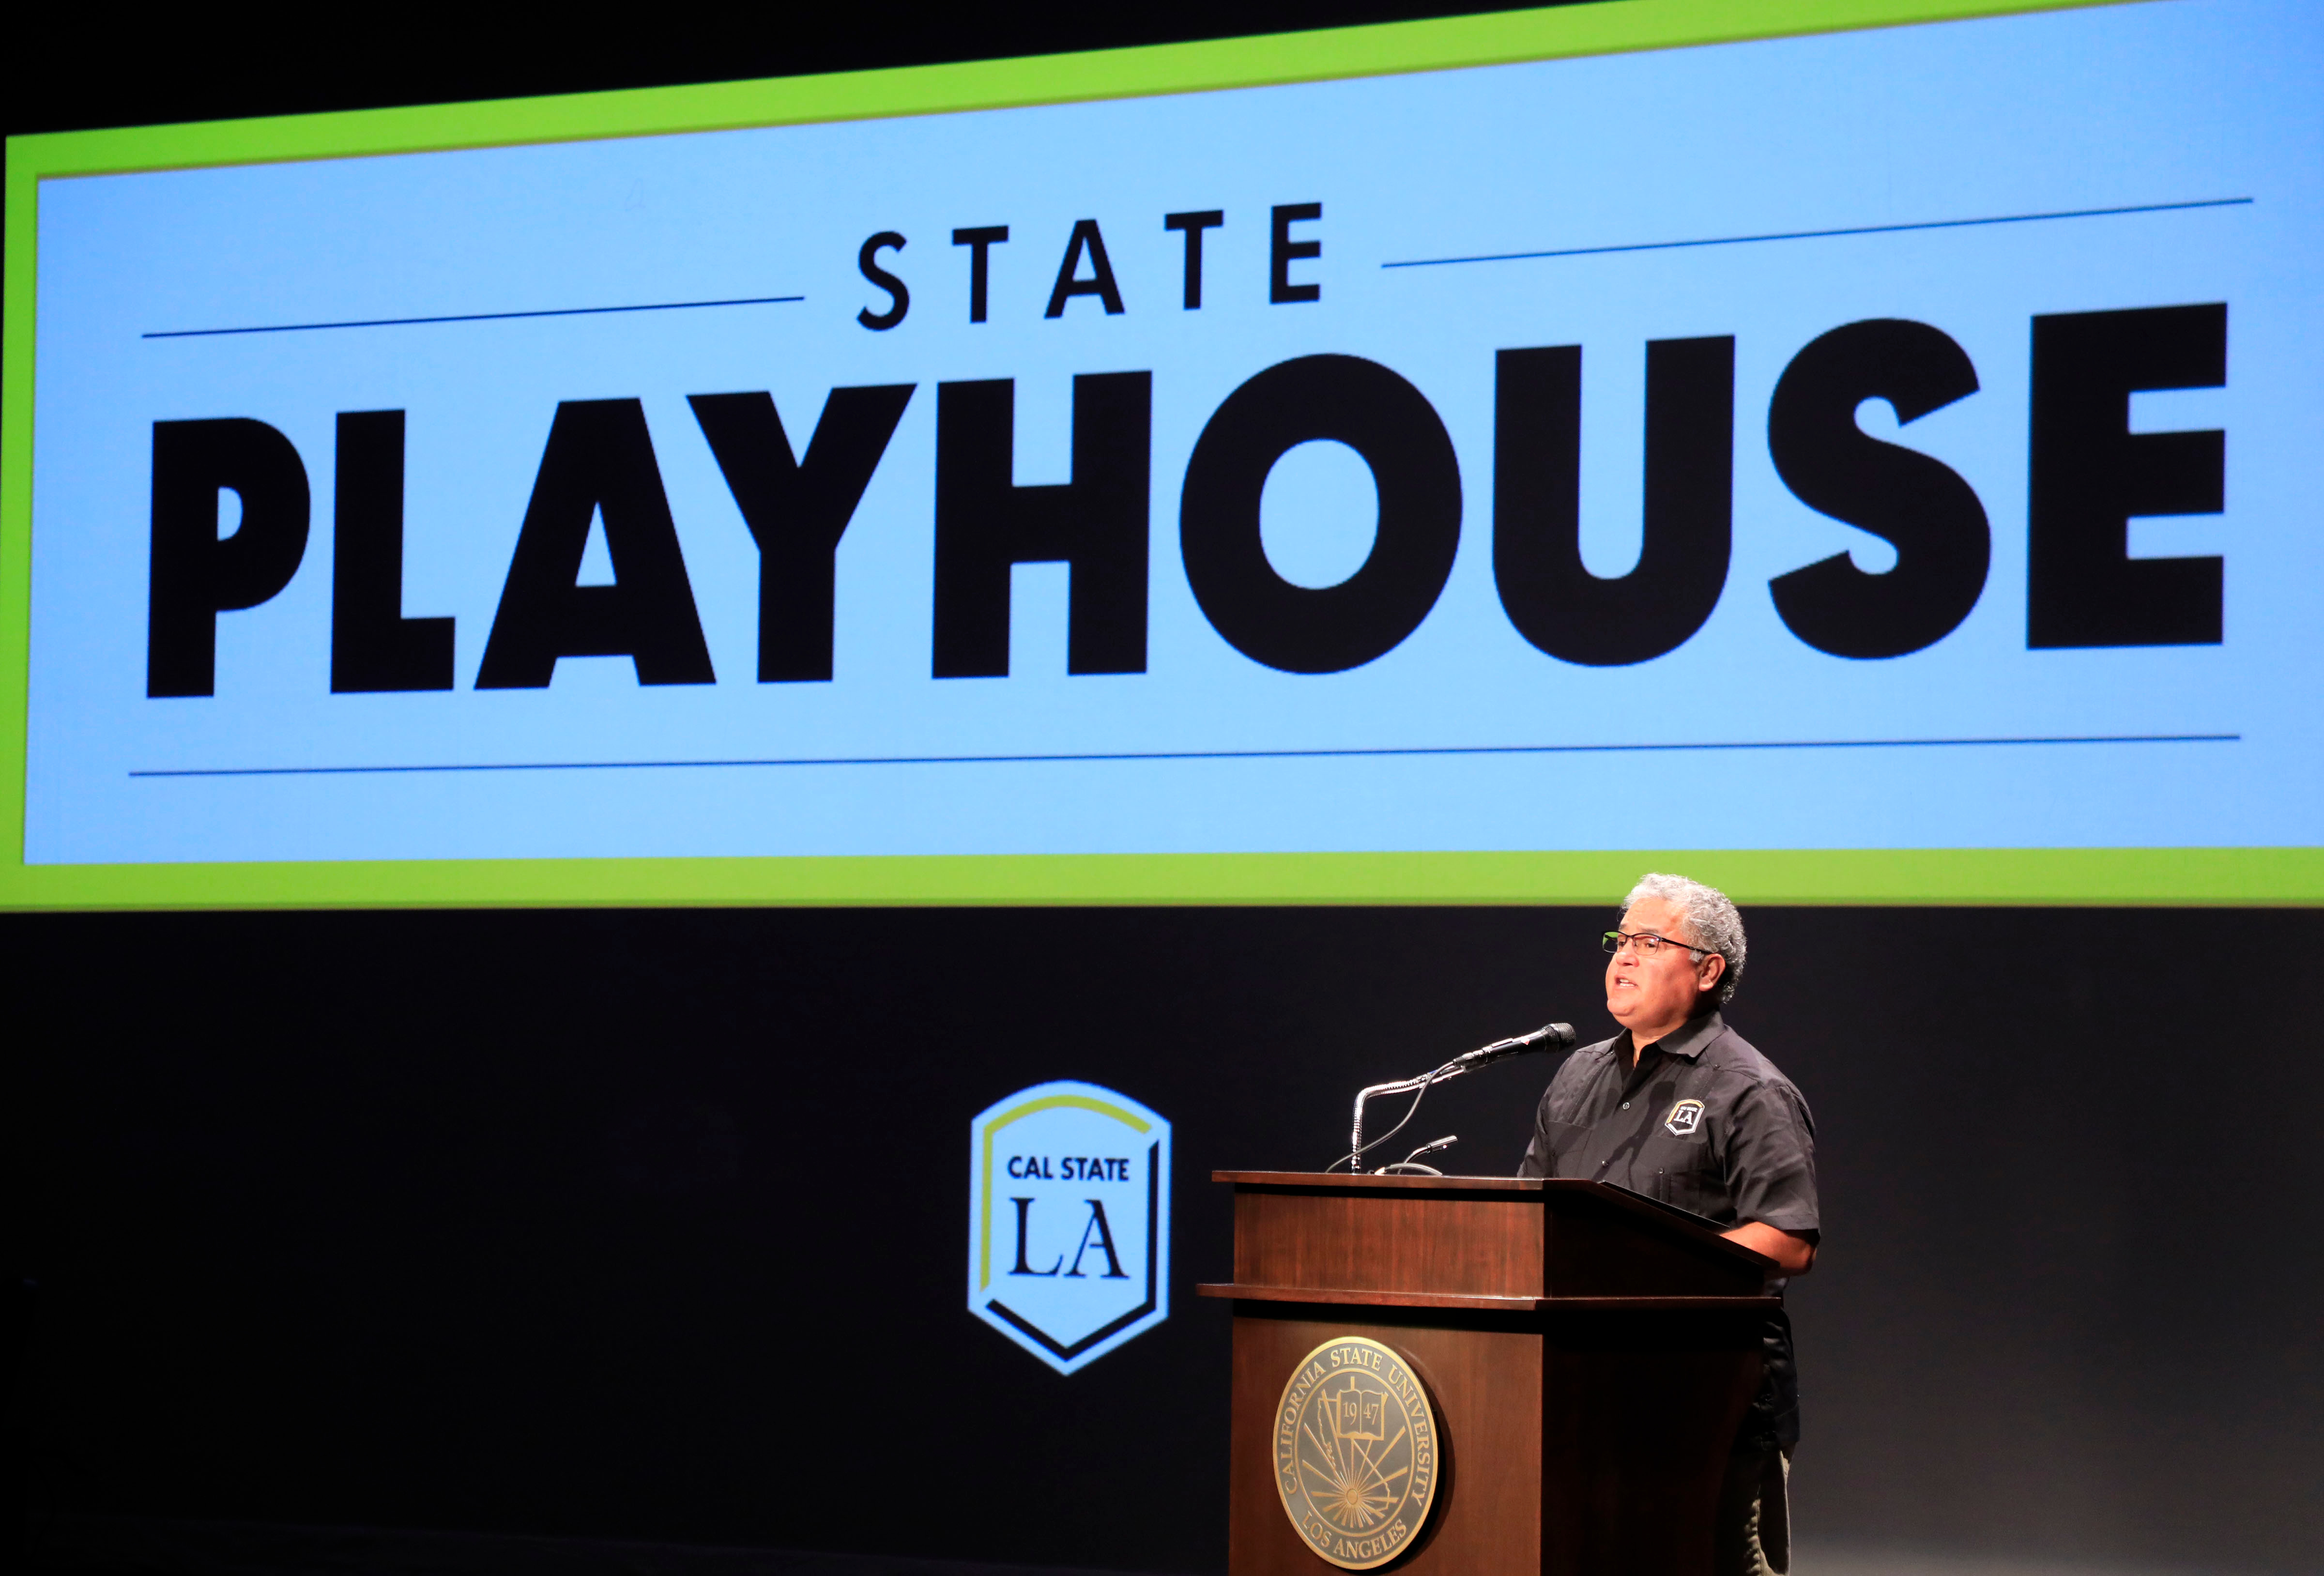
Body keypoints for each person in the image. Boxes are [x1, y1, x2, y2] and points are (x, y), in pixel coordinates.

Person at [1517, 872, 1819, 1576]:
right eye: (1618, 941)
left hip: (1709, 1399)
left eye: (1650, 943)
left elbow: (1788, 1239)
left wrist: (1646, 1269)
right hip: (1582, 1393)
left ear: (1708, 970)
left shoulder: (1750, 1089)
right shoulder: (1575, 1077)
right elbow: (1528, 1215)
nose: (1622, 958)